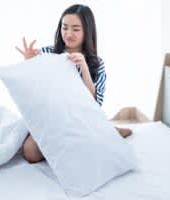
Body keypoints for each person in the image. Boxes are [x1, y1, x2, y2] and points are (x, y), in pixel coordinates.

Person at [16, 4, 132, 163]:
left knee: (89, 149)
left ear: (87, 31)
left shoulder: (96, 63)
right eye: (65, 27)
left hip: (80, 118)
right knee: (30, 153)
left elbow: (93, 104)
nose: (68, 33)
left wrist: (84, 68)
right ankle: (104, 130)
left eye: (76, 29)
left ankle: (107, 130)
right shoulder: (47, 53)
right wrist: (29, 63)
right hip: (51, 117)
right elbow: (32, 90)